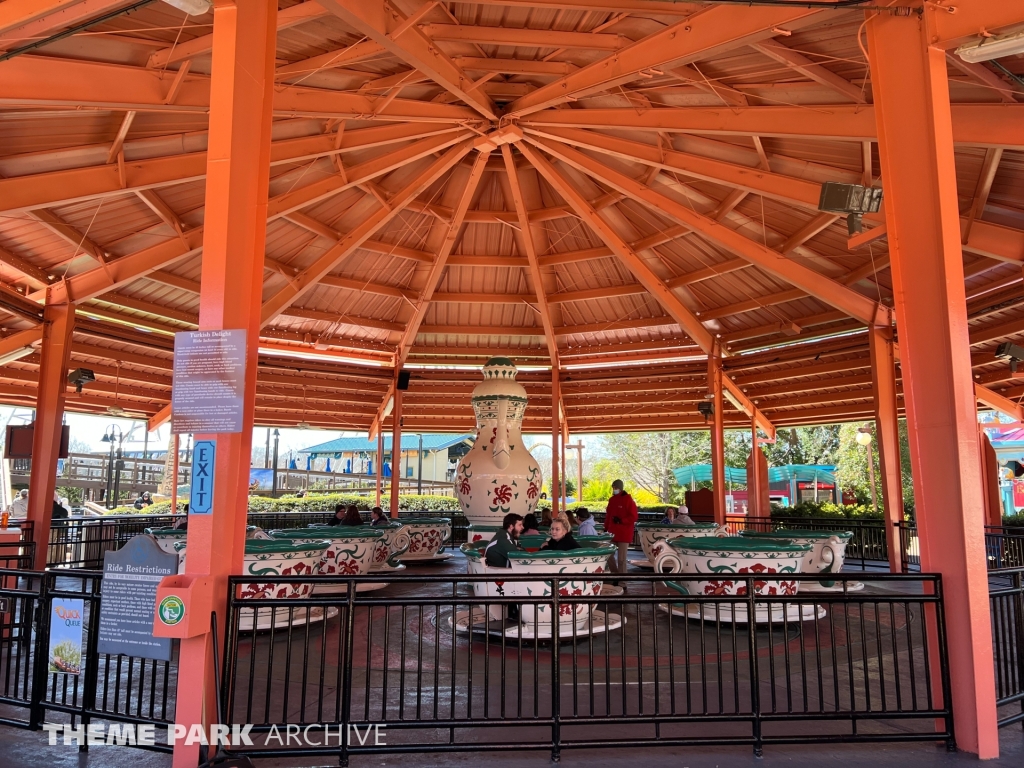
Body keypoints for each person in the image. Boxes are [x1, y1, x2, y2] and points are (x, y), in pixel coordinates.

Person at [603, 479, 638, 575]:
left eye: (616, 487)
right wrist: (605, 528)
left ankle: (622, 581)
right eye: (613, 487)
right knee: (608, 554)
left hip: (624, 534)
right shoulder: (612, 500)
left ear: (620, 488)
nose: (614, 489)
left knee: (621, 559)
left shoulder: (628, 500)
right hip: (612, 533)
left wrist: (622, 520)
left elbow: (634, 517)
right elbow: (608, 516)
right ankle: (615, 575)